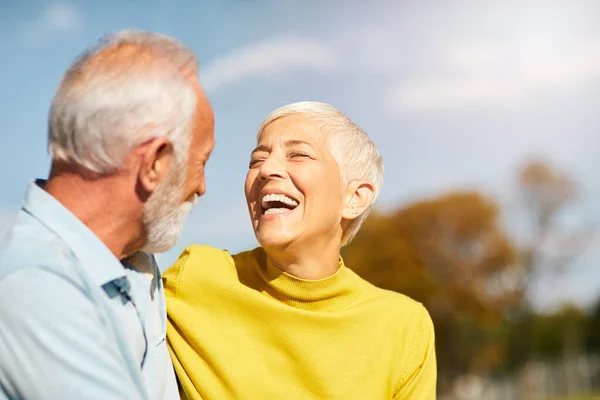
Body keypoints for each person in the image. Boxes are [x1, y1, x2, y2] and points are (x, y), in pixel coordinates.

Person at [164, 101, 437, 399]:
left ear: (355, 198)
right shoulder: (194, 276)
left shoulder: (404, 327)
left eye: (298, 154)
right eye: (256, 160)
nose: (266, 169)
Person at [0, 30, 215, 400]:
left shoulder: (134, 260)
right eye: (202, 163)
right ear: (155, 164)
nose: (202, 187)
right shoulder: (36, 286)